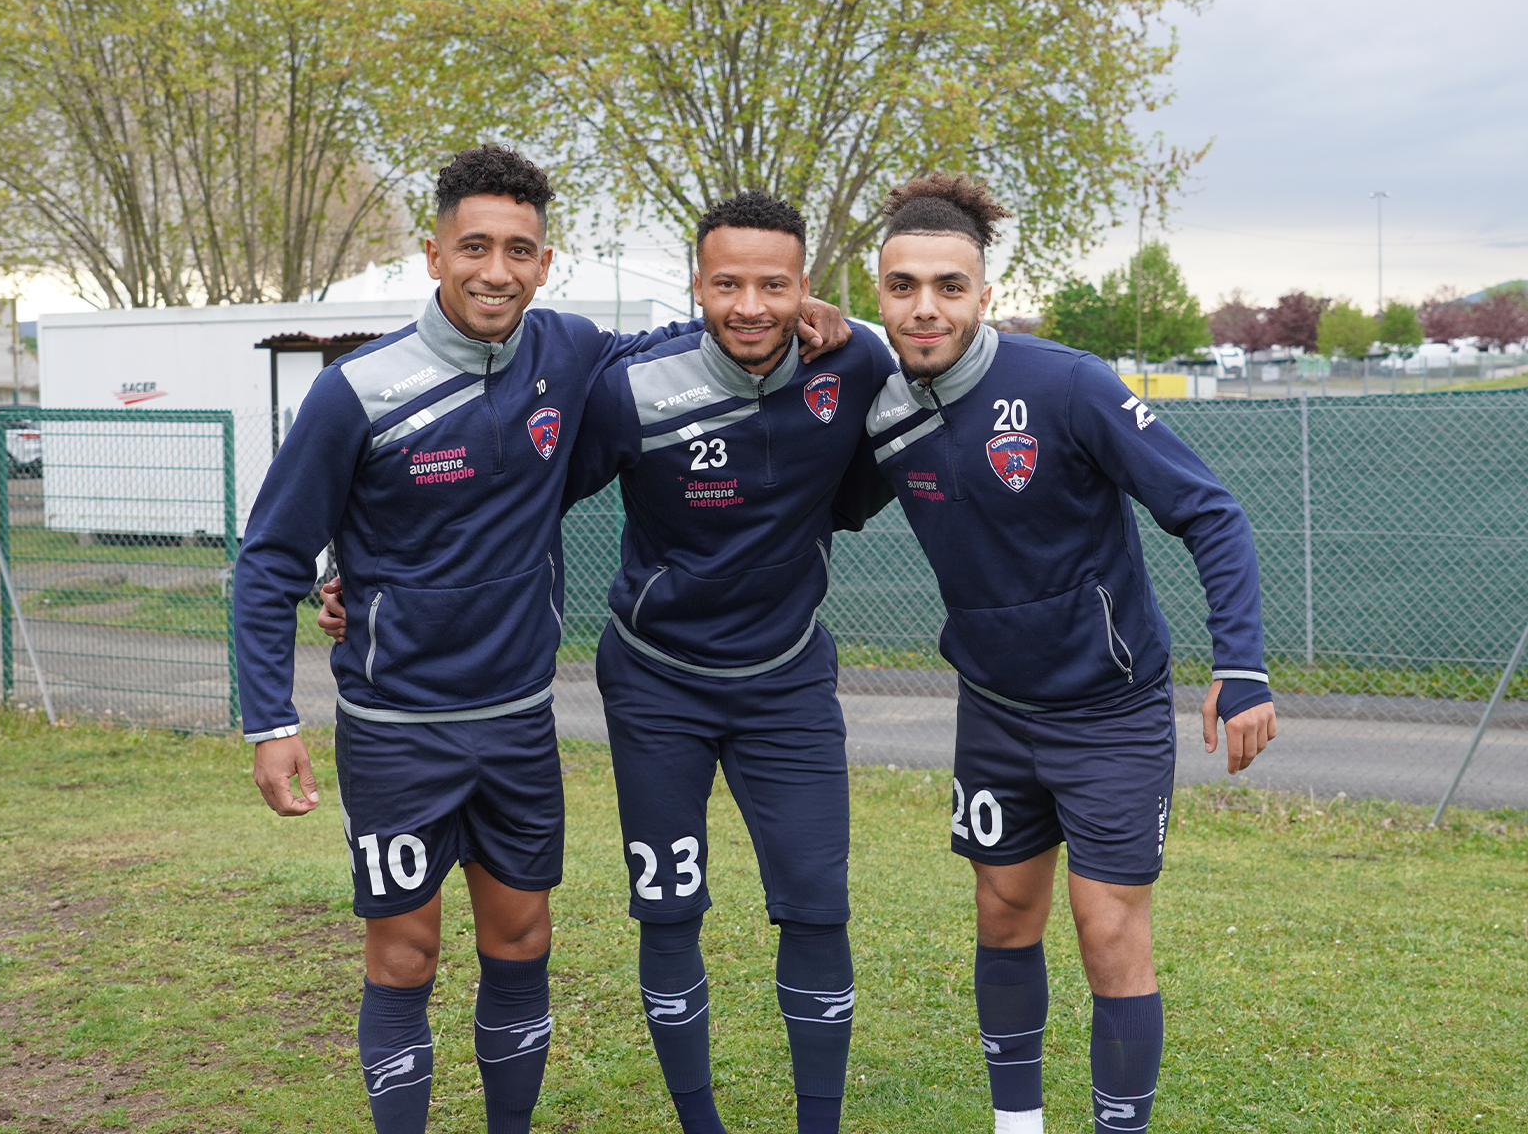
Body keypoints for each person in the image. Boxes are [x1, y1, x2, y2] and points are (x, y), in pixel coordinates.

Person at [234, 145, 846, 1134]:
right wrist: (270, 719)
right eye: (474, 246)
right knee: (405, 957)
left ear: (545, 263)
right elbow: (269, 560)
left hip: (520, 728)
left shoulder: (571, 355)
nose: (495, 270)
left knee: (522, 944)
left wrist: (822, 318)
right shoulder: (358, 390)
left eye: (519, 250)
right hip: (399, 731)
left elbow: (708, 335)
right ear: (433, 253)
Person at [851, 173, 1277, 1134]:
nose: (926, 306)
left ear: (984, 294)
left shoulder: (1065, 383)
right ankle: (1019, 1124)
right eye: (904, 285)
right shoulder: (878, 408)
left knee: (1108, 929)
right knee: (1004, 917)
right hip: (994, 711)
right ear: (877, 293)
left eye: (949, 286)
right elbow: (820, 504)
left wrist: (1241, 666)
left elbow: (1209, 511)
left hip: (1110, 711)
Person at [561, 191, 897, 1134]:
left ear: (806, 288)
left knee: (818, 908)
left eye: (775, 285)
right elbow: (517, 496)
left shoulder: (857, 362)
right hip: (654, 680)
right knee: (668, 908)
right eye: (728, 283)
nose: (751, 305)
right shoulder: (635, 385)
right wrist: (358, 571)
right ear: (697, 285)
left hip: (786, 683)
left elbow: (910, 424)